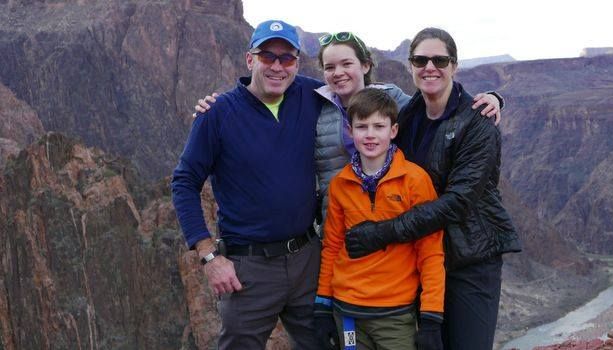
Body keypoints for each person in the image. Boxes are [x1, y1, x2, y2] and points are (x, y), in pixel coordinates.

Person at [194, 31, 504, 222]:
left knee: (392, 319)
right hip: (336, 226)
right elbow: (268, 84)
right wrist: (217, 104)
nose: (338, 73)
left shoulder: (393, 99)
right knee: (345, 323)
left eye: (347, 64)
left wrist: (492, 98)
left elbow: (438, 105)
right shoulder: (316, 102)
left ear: (366, 66)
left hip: (392, 222)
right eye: (330, 67)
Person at [343, 28, 522, 350]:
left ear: (454, 66)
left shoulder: (478, 121)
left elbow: (458, 203)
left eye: (439, 60)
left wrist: (381, 232)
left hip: (469, 259)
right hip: (419, 261)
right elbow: (352, 98)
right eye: (420, 60)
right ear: (410, 65)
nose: (430, 67)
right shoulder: (407, 115)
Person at [171, 19, 325, 349]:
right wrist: (209, 257)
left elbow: (368, 99)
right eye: (267, 55)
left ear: (297, 63)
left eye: (287, 58)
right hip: (248, 270)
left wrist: (460, 102)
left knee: (326, 342)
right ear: (249, 59)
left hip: (308, 260)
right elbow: (184, 182)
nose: (277, 66)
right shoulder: (218, 113)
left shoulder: (313, 95)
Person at [314, 88, 445, 350]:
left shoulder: (415, 181)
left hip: (394, 315)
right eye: (362, 127)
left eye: (379, 126)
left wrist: (431, 316)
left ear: (393, 130)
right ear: (350, 132)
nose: (370, 134)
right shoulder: (341, 184)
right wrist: (322, 306)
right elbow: (332, 247)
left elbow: (430, 252)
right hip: (348, 313)